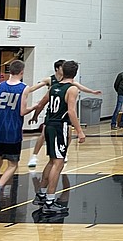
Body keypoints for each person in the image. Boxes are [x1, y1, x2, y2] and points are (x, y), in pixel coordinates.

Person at [0, 60, 40, 212]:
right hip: (13, 131)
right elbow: (22, 112)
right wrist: (33, 107)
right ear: (22, 72)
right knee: (12, 164)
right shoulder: (24, 88)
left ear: (9, 71)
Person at [33, 60, 86, 217]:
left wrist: (35, 116)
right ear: (75, 74)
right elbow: (71, 111)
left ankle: (41, 194)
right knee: (58, 163)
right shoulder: (72, 89)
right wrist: (80, 131)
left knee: (52, 160)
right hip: (59, 126)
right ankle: (49, 201)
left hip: (48, 125)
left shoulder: (54, 86)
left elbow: (42, 103)